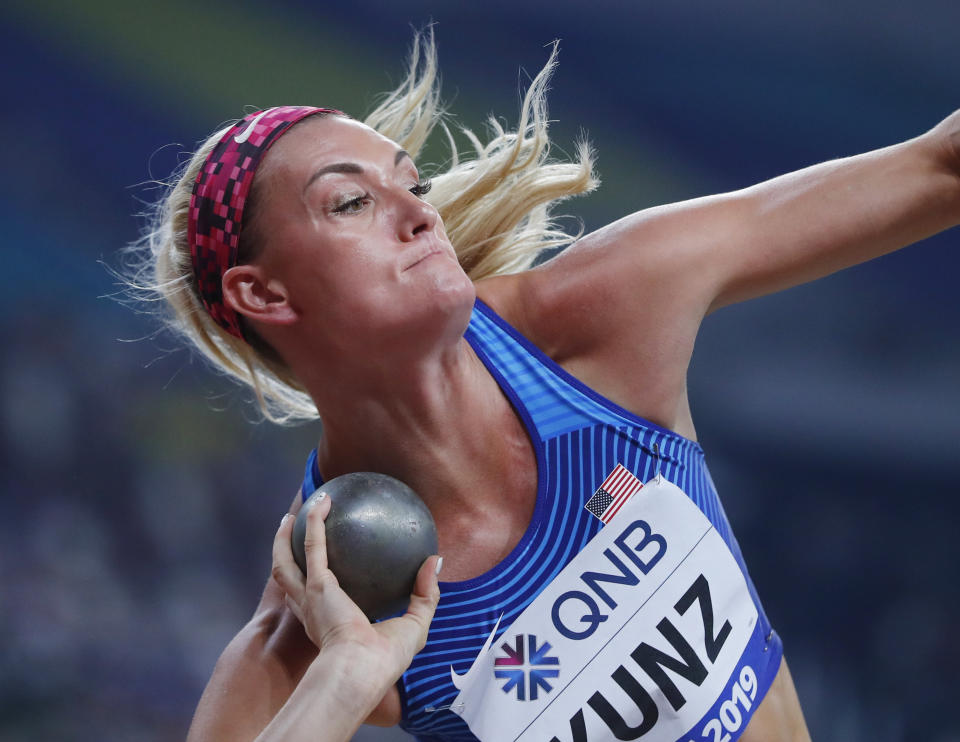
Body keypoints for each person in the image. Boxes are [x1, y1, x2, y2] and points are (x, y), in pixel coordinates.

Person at [129, 30, 959, 742]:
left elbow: (938, 170)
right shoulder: (320, 613)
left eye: (411, 184)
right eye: (350, 203)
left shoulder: (599, 317)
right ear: (264, 294)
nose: (420, 214)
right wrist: (344, 678)